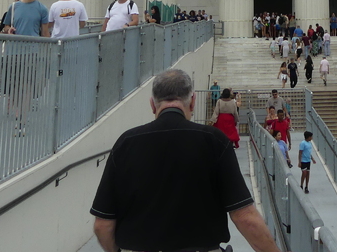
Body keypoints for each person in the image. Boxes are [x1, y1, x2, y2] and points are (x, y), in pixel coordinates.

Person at [90, 69, 281, 252]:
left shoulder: (126, 143)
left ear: (152, 104)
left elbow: (102, 224)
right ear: (192, 102)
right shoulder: (214, 141)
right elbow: (244, 217)